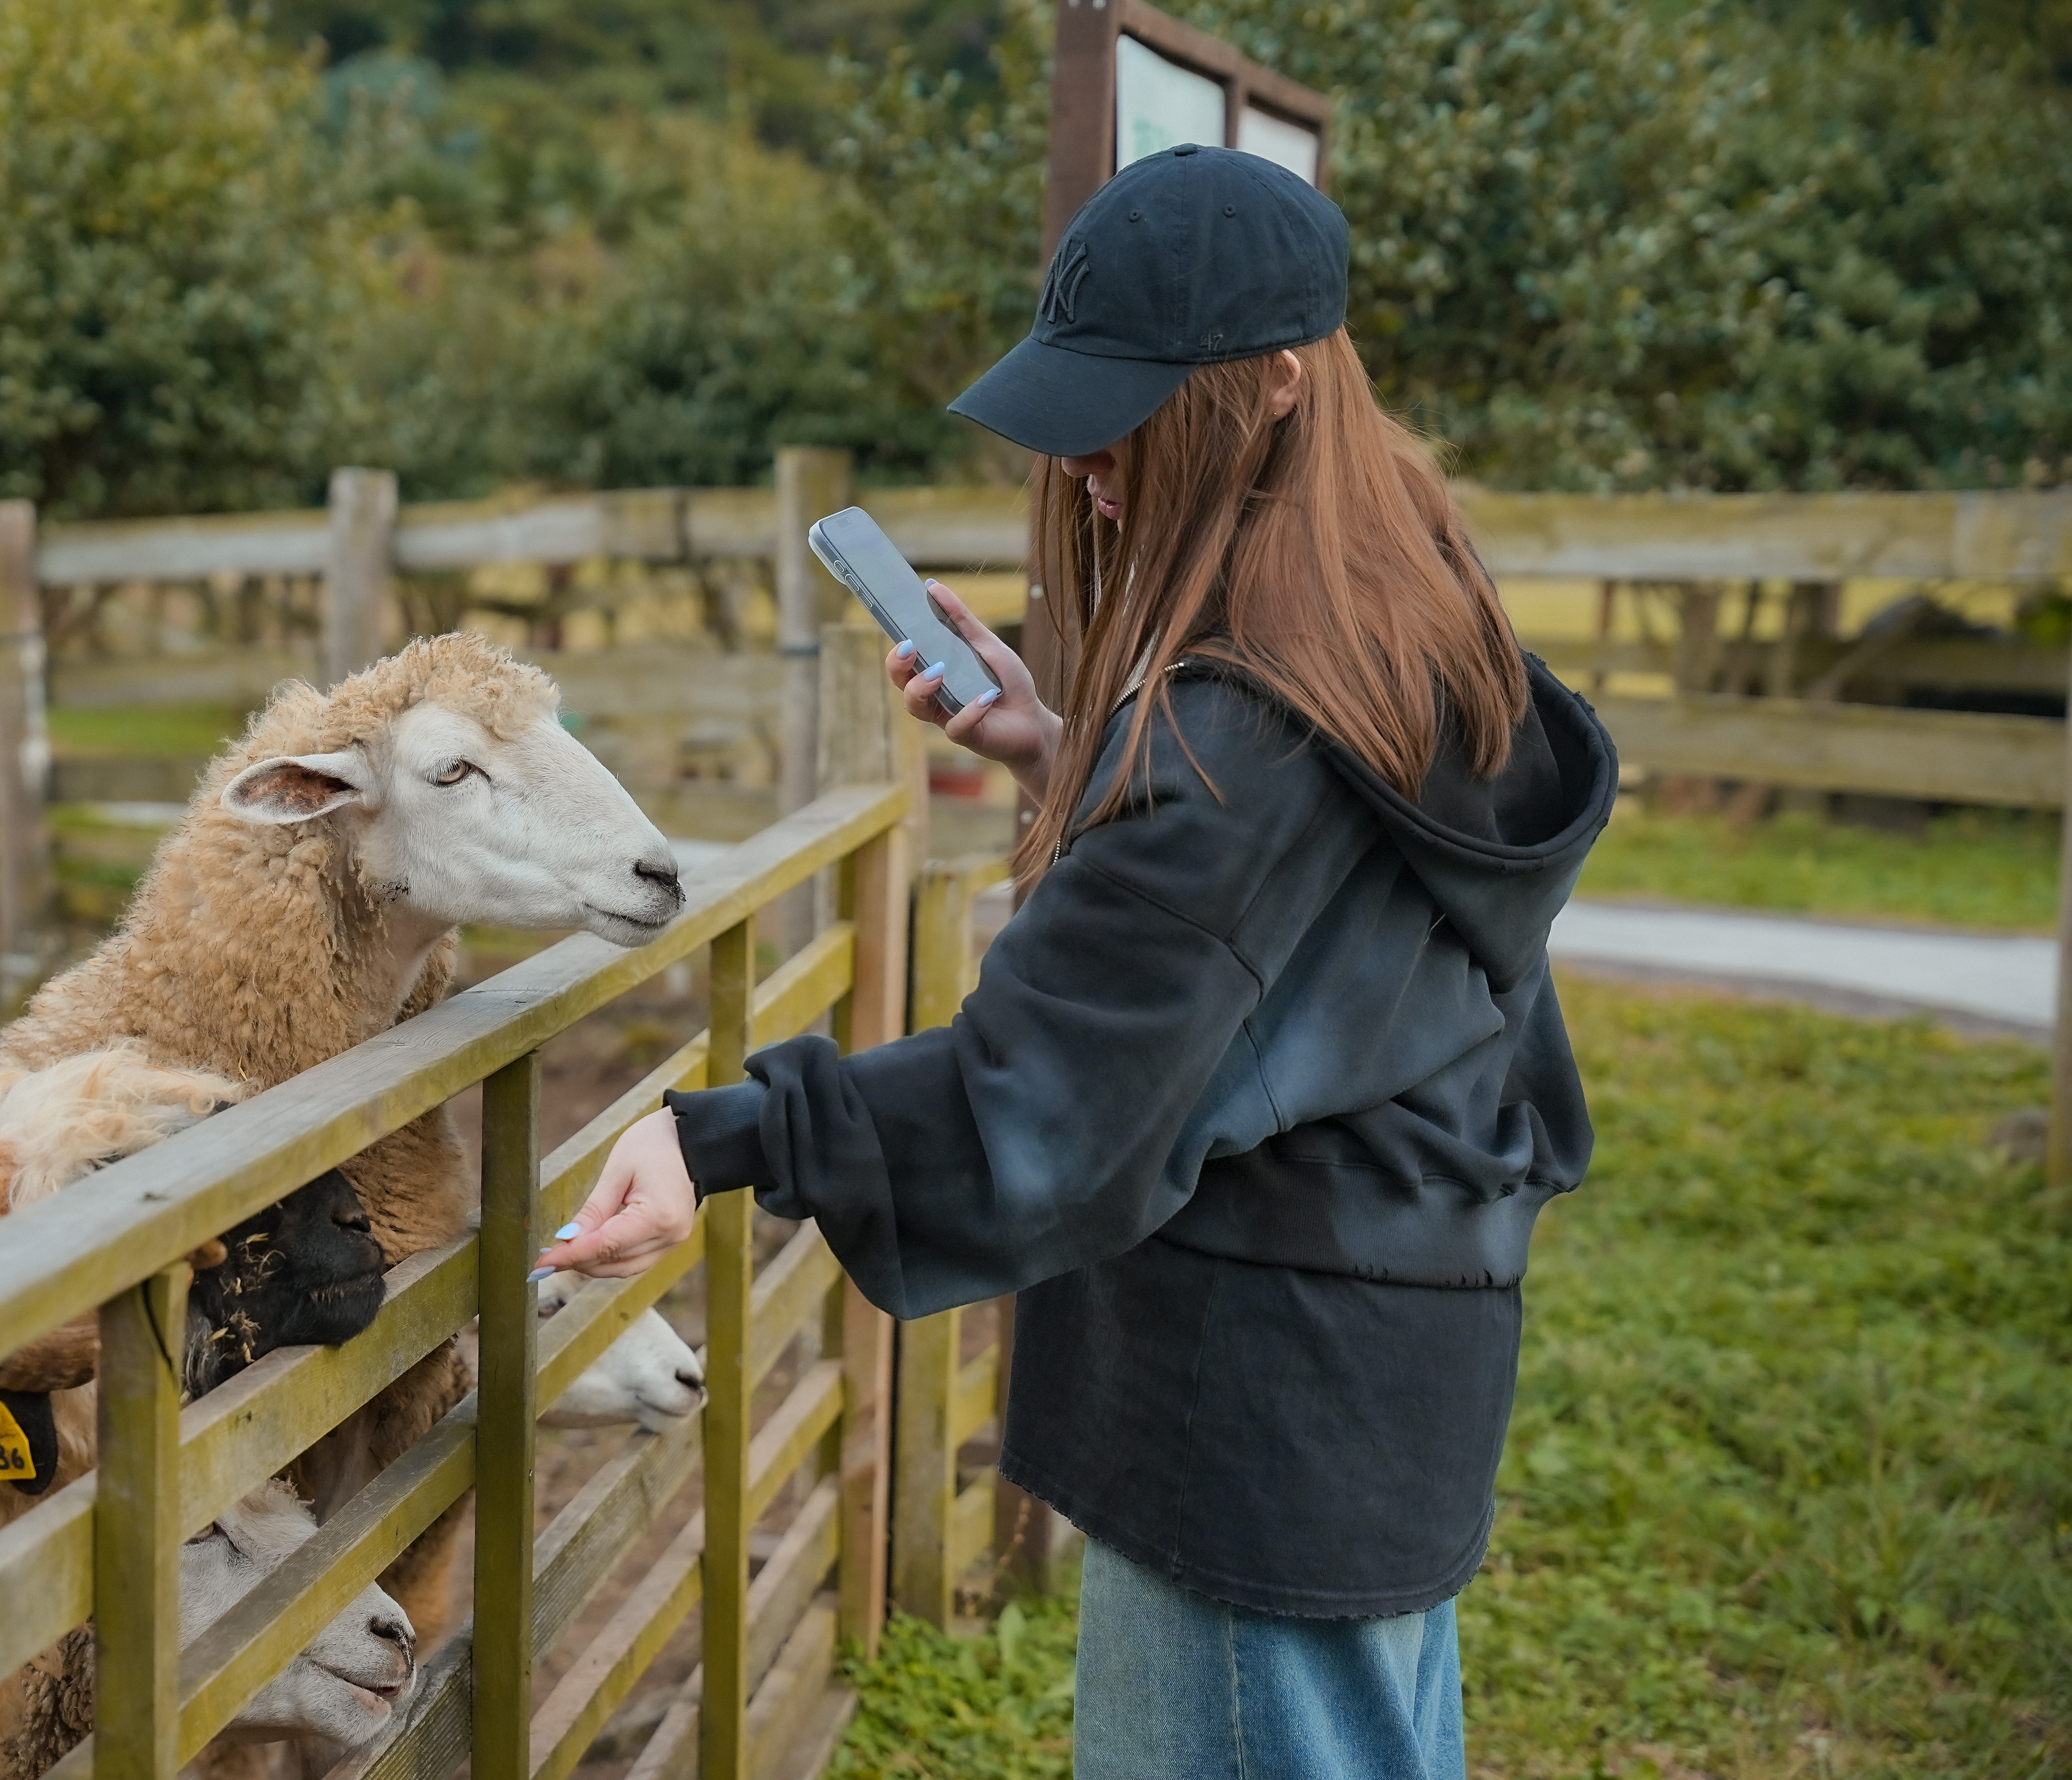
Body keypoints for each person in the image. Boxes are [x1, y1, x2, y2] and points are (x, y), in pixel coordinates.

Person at [533, 144, 1618, 1778]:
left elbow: (1038, 1093)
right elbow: (1304, 931)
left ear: (1269, 391)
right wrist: (1072, 756)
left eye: (1132, 409)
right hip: (1398, 1370)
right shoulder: (1418, 630)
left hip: (1252, 1412)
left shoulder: (1240, 733)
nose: (1091, 463)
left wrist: (713, 1134)